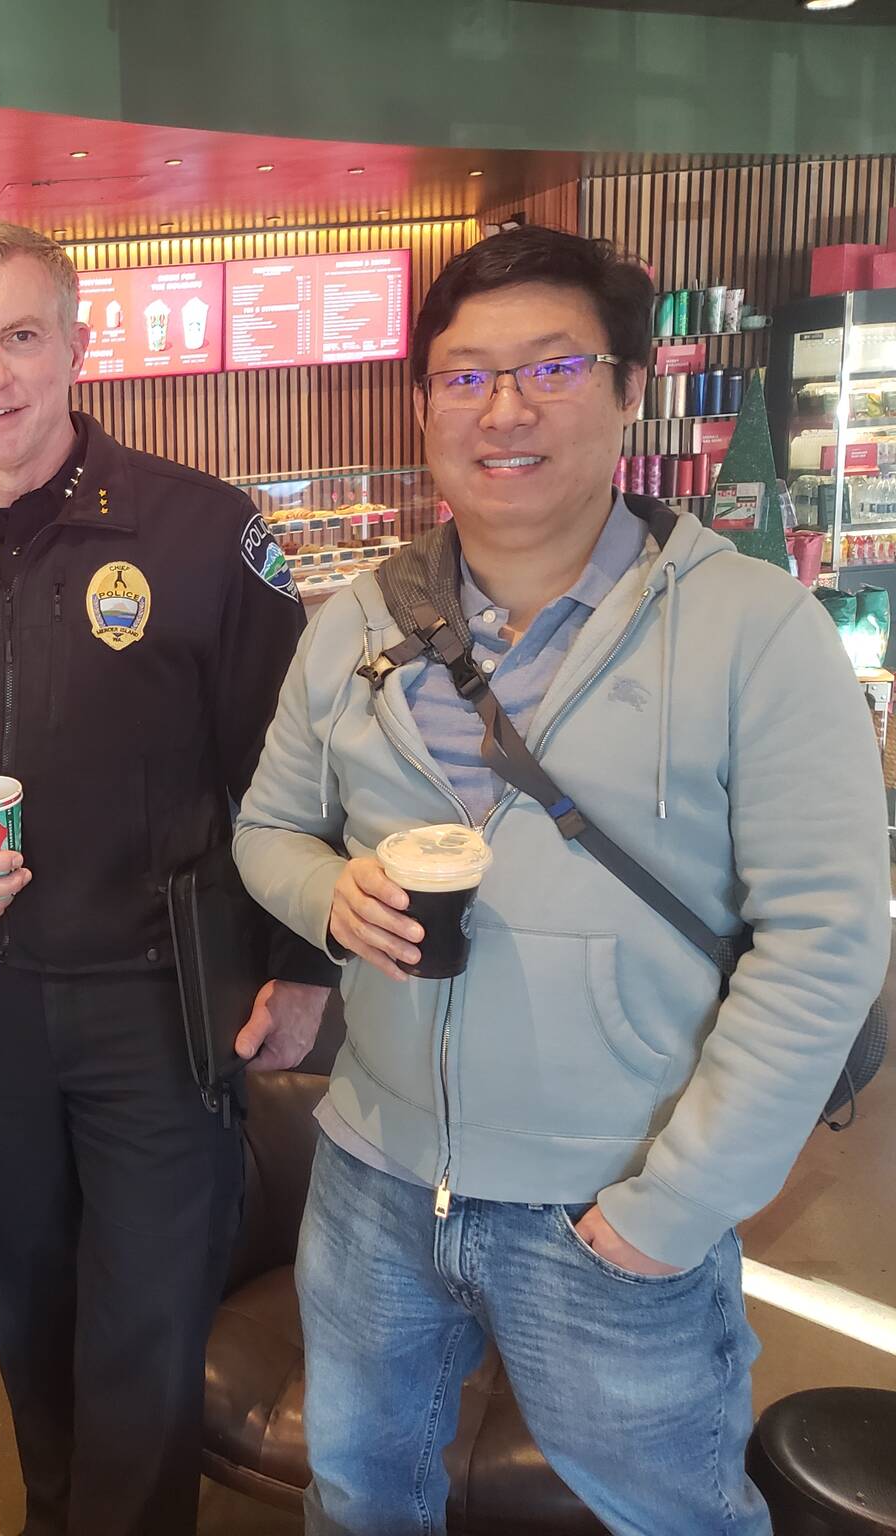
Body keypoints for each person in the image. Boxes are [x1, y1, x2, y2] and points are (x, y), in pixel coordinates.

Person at [232, 226, 890, 1534]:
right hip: (372, 1177)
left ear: (632, 389)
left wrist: (681, 1201)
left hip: (614, 1194)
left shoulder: (755, 628)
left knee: (669, 1513)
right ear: (424, 403)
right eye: (466, 377)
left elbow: (822, 941)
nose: (505, 410)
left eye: (551, 368)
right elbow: (269, 830)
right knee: (361, 1492)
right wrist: (326, 896)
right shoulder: (355, 624)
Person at [0, 220, 336, 1536]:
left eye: (23, 335)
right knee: (26, 1299)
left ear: (80, 345)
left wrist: (307, 967)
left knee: (145, 1320)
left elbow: (304, 765)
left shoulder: (204, 533)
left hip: (162, 1000)